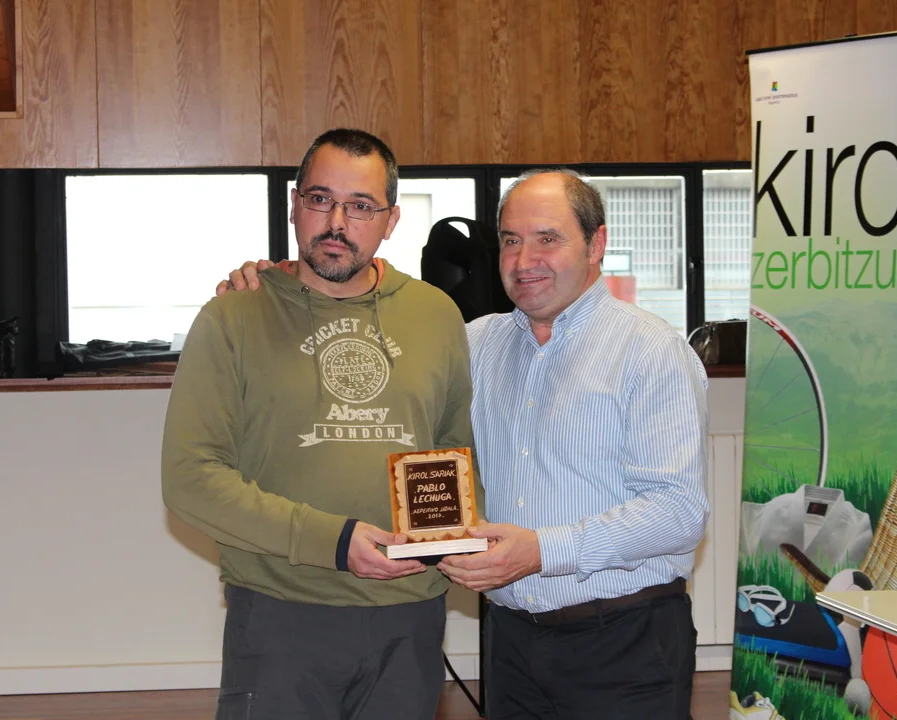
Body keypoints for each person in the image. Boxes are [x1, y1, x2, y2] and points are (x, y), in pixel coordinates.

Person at [219, 169, 710, 719]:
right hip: (510, 643)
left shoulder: (651, 351)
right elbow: (366, 329)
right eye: (511, 240)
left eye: (548, 238)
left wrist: (543, 551)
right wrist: (285, 285)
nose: (524, 260)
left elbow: (679, 512)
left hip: (625, 640)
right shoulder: (474, 342)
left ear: (596, 244)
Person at [163, 128, 478, 720]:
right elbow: (190, 478)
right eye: (319, 199)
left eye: (360, 206)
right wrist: (331, 541)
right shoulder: (234, 315)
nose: (336, 222)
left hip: (408, 615)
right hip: (282, 610)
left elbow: (452, 452)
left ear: (390, 221)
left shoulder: (436, 314)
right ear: (294, 205)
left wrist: (448, 544)